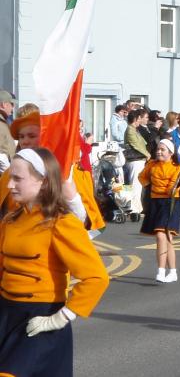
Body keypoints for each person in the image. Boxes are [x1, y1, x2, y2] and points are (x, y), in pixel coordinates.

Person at [0, 147, 109, 376]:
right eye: (11, 178)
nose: (10, 185)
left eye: (18, 179)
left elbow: (96, 277)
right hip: (6, 312)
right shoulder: (11, 220)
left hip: (41, 317)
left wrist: (61, 318)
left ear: (43, 181)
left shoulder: (61, 222)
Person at [139, 139, 180, 283]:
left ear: (171, 153)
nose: (159, 152)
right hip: (154, 201)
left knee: (161, 235)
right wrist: (149, 185)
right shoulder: (151, 164)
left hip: (170, 203)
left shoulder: (177, 167)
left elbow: (172, 187)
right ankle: (173, 272)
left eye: (163, 149)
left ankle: (161, 270)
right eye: (158, 149)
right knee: (167, 238)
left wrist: (172, 188)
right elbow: (142, 177)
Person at [124, 110, 151, 215]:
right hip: (134, 160)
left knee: (135, 184)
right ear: (135, 119)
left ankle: (136, 207)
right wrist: (147, 154)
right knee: (134, 184)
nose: (140, 120)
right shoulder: (130, 130)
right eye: (139, 118)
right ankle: (133, 208)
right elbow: (136, 144)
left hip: (138, 160)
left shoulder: (134, 130)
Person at [0, 89, 16, 173]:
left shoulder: (4, 122)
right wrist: (8, 173)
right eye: (11, 104)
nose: (13, 107)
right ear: (3, 105)